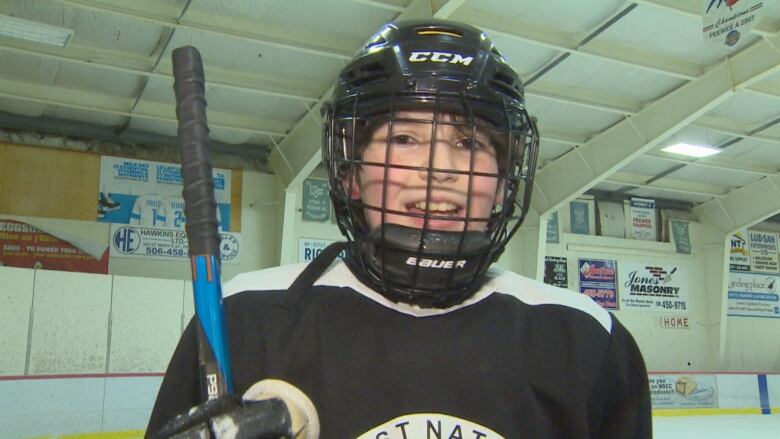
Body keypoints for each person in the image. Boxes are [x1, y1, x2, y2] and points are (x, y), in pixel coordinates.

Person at [147, 19, 651, 438]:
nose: (437, 169)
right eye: (405, 136)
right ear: (351, 172)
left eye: (470, 143)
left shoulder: (583, 338)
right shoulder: (245, 317)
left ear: (503, 185)